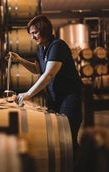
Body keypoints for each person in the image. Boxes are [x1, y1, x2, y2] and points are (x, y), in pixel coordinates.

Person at [6, 15, 82, 159]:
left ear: (44, 30)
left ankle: (77, 171)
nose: (32, 37)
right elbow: (37, 69)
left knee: (68, 138)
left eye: (35, 33)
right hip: (54, 98)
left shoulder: (57, 46)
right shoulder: (42, 49)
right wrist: (19, 59)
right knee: (57, 138)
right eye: (31, 34)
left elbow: (48, 75)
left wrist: (28, 94)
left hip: (69, 97)